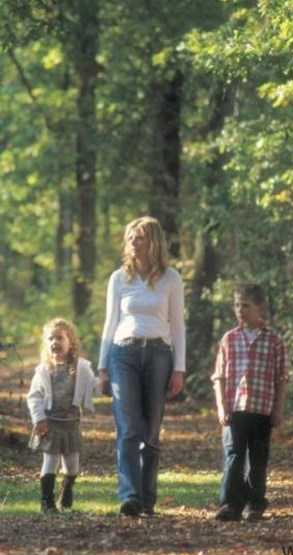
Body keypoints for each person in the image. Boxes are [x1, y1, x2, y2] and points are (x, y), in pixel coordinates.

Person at [98, 215, 186, 518]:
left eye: (140, 238)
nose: (134, 243)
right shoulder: (118, 278)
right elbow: (110, 324)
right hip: (123, 354)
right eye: (130, 238)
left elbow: (178, 328)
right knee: (128, 427)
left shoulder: (171, 278)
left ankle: (148, 499)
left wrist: (179, 369)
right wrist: (102, 367)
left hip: (160, 355)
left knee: (151, 429)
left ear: (154, 242)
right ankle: (130, 496)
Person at [212, 284, 288, 521]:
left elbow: (281, 378)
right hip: (234, 408)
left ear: (260, 308)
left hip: (261, 408)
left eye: (246, 305)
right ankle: (230, 504)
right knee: (233, 454)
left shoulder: (274, 339)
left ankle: (255, 503)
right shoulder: (229, 339)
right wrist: (222, 406)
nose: (240, 310)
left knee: (257, 457)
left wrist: (278, 410)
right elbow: (219, 377)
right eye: (236, 305)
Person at [27, 317, 96, 514]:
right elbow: (34, 397)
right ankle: (46, 502)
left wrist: (108, 386)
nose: (54, 342)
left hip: (71, 424)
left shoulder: (81, 368)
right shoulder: (43, 371)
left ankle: (67, 487)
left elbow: (93, 387)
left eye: (59, 338)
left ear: (70, 342)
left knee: (72, 466)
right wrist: (39, 418)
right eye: (50, 339)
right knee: (50, 461)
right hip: (50, 424)